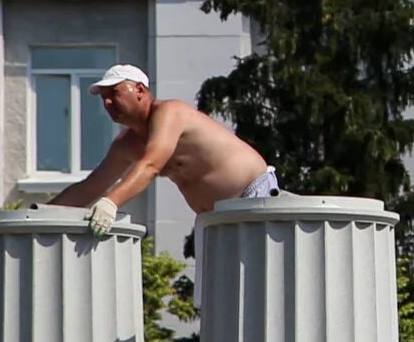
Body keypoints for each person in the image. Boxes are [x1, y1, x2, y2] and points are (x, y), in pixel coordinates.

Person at [49, 64, 277, 231]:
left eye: (115, 93)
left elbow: (151, 164)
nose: (108, 103)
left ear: (140, 90)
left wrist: (111, 203)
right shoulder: (126, 144)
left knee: (260, 285)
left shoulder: (170, 112)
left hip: (254, 194)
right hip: (214, 218)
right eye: (104, 98)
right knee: (219, 291)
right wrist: (39, 214)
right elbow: (90, 187)